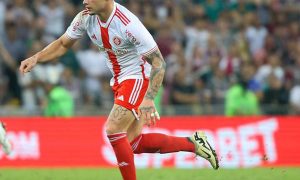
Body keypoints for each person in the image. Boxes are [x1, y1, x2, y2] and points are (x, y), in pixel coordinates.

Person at [19, 1, 219, 179]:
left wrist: (149, 99)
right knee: (132, 143)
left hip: (138, 77)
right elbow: (63, 44)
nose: (84, 1)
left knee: (113, 128)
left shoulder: (127, 23)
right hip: (119, 81)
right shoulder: (85, 18)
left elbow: (159, 62)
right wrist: (36, 57)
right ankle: (193, 143)